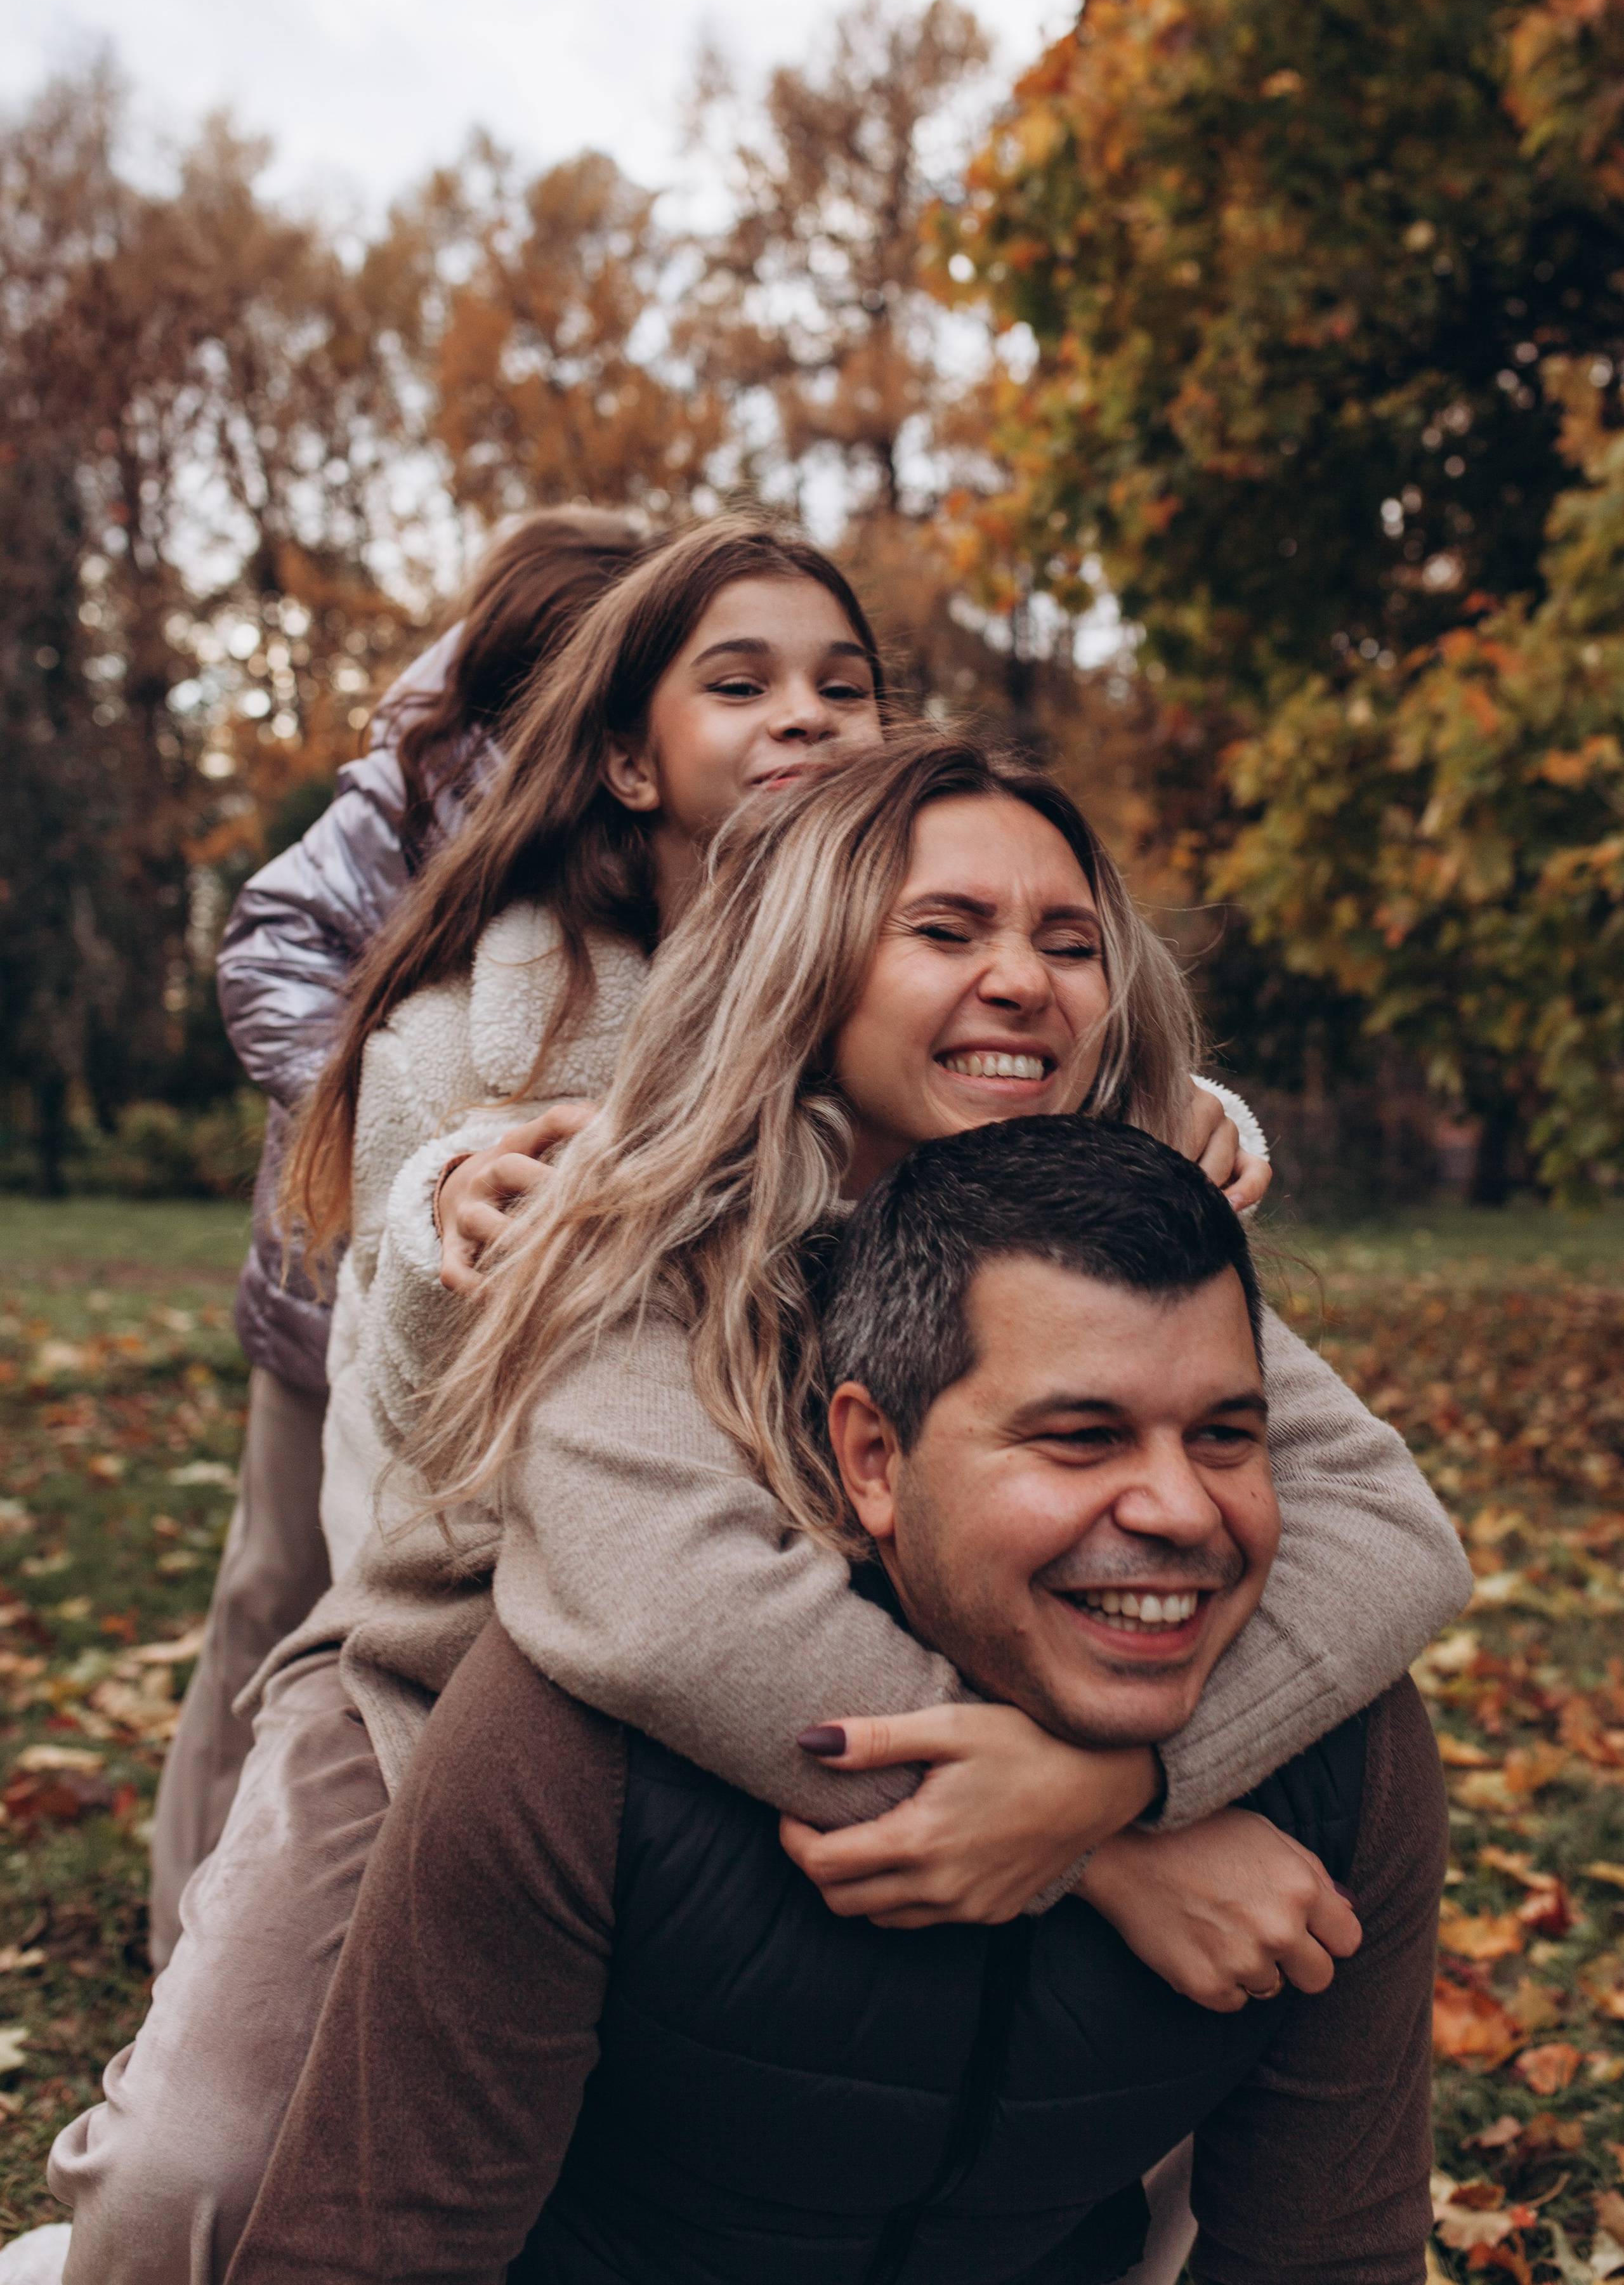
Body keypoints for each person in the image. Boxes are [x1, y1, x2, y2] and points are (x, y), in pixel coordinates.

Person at [46, 693, 1458, 2282]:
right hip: (465, 1717)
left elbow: (1386, 1530)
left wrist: (1124, 1776)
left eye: (1071, 941)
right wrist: (1098, 1838)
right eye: (946, 928)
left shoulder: (1110, 1231)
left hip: (861, 1748)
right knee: (198, 2175)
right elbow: (661, 1608)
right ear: (812, 960)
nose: (1022, 976)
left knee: (1185, 2021)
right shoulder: (645, 1205)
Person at [226, 1114, 1448, 2285]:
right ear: (874, 1457)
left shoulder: (1344, 1759)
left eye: (1228, 1437)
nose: (1181, 1511)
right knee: (183, 2165)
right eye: (1081, 1437)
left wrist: (1123, 1801)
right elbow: (377, 2256)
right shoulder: (580, 1744)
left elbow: (1327, 2256)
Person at [148, 507, 650, 1968]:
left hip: (534, 1286)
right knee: (273, 1592)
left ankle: (382, 1932)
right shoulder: (423, 782)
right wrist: (388, 1129)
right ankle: (191, 1929)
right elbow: (275, 941)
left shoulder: (656, 788)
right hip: (333, 1276)